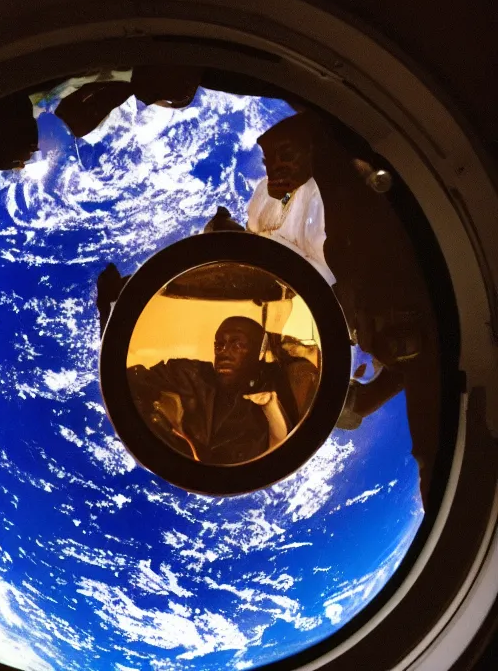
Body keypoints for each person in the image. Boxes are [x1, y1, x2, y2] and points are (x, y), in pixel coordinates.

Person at [246, 111, 440, 507]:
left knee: (434, 457)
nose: (275, 169)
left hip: (413, 326)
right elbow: (410, 360)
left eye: (285, 155)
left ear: (314, 147)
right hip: (395, 335)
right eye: (268, 161)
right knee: (431, 455)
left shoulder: (346, 191)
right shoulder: (286, 195)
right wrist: (368, 399)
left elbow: (425, 356)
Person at [127, 317, 303, 464]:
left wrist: (271, 410)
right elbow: (132, 379)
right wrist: (166, 412)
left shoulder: (275, 385)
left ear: (259, 352)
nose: (224, 354)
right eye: (219, 346)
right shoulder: (192, 374)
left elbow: (283, 451)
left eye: (237, 346)